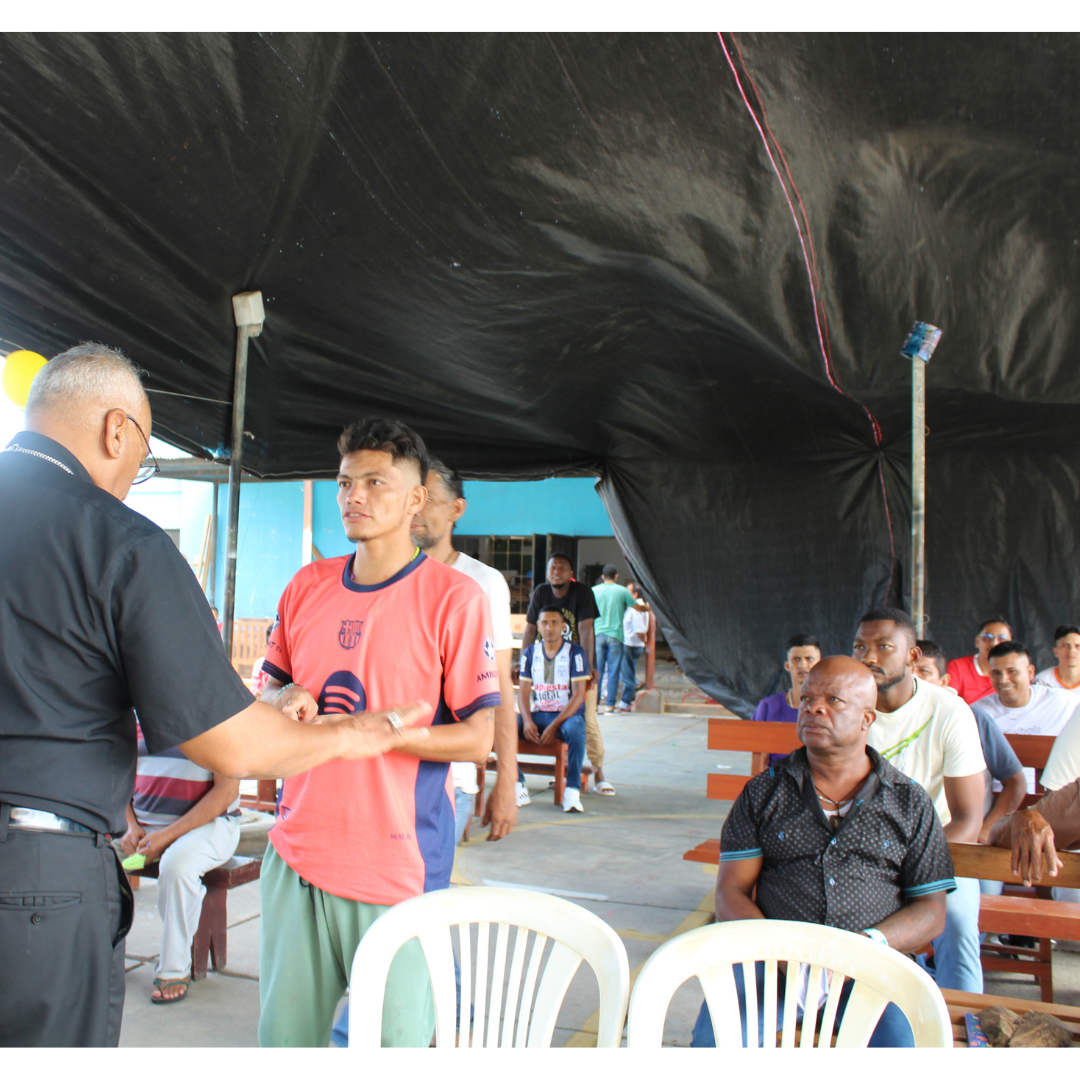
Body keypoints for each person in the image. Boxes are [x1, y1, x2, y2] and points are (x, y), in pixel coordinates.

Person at [0, 346, 420, 1048]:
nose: (133, 481)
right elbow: (230, 743)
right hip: (35, 875)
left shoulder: (449, 594)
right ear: (116, 430)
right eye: (142, 460)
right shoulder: (117, 539)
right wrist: (353, 733)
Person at [255, 418, 498, 1048]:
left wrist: (377, 735)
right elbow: (265, 691)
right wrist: (287, 697)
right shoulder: (306, 586)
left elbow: (477, 738)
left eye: (374, 482)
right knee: (284, 1048)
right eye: (344, 483)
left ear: (417, 498)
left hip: (397, 870)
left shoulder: (455, 599)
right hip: (297, 856)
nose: (353, 496)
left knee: (393, 1050)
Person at [690, 657, 954, 1048]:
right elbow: (731, 892)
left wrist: (867, 946)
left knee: (905, 1048)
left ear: (866, 719)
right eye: (807, 698)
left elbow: (931, 910)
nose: (814, 707)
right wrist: (780, 953)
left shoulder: (909, 802)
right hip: (775, 967)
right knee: (715, 1042)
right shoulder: (763, 794)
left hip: (873, 970)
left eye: (833, 700)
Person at [853, 608, 987, 993]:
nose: (868, 656)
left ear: (912, 656)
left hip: (941, 852)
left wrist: (911, 864)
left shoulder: (949, 711)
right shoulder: (846, 706)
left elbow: (968, 819)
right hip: (861, 854)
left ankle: (961, 1019)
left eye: (883, 646)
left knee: (957, 925)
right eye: (860, 646)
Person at [410, 457, 518, 842]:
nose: (414, 510)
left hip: (448, 779)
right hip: (378, 773)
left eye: (427, 499)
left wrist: (507, 780)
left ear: (456, 509)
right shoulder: (381, 577)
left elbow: (498, 687)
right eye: (410, 497)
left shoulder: (482, 584)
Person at [119, 726, 242, 1003]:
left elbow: (226, 792)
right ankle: (102, 954)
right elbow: (118, 779)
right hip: (143, 827)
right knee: (93, 853)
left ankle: (173, 967)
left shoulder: (219, 719)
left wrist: (165, 837)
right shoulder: (136, 717)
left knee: (177, 866)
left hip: (209, 825)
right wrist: (129, 825)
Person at [916, 642, 1025, 848]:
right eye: (909, 670)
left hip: (963, 840)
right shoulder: (877, 719)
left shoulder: (971, 716)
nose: (915, 678)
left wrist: (985, 831)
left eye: (924, 671)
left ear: (943, 681)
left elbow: (1016, 783)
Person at [523, 554, 613, 795]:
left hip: (577, 669)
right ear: (547, 573)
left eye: (562, 568)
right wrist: (522, 663)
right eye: (552, 567)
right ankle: (561, 771)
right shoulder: (541, 593)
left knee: (587, 721)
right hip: (548, 668)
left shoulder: (582, 592)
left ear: (571, 573)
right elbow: (530, 629)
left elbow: (585, 629)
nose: (557, 571)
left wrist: (589, 666)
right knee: (551, 717)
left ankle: (599, 774)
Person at [972, 641, 1077, 794]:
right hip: (997, 799)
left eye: (1012, 671)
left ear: (1030, 672)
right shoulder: (977, 713)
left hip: (1052, 800)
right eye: (996, 673)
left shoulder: (1064, 702)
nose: (1003, 680)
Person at [518, 606, 590, 813]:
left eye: (554, 623)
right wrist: (527, 720)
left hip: (566, 717)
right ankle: (517, 784)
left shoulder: (575, 652)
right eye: (545, 623)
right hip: (540, 714)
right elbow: (523, 692)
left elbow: (579, 695)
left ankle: (572, 791)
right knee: (504, 725)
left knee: (576, 730)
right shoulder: (530, 653)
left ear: (563, 626)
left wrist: (555, 725)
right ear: (538, 626)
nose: (549, 627)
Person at [752, 634, 822, 764]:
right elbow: (759, 761)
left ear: (819, 664)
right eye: (796, 659)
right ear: (787, 665)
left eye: (809, 659)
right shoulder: (767, 707)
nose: (802, 664)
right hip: (777, 774)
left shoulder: (827, 709)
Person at [591, 565, 648, 714]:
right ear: (616, 577)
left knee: (598, 671)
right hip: (616, 636)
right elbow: (637, 608)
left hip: (598, 634)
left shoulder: (594, 591)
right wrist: (650, 607)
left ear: (603, 576)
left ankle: (594, 705)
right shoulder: (622, 591)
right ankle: (610, 704)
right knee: (614, 672)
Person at [946, 616, 1011, 705]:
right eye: (987, 637)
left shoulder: (1016, 671)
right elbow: (948, 703)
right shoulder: (958, 666)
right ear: (977, 641)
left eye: (1002, 638)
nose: (994, 643)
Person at [618, 581, 650, 712]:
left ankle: (625, 702)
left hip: (631, 644)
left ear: (635, 595)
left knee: (627, 675)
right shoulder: (637, 607)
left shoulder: (636, 609)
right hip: (631, 644)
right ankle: (635, 685)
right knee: (627, 672)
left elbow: (640, 630)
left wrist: (644, 641)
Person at [1035, 624, 1080, 695]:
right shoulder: (1041, 683)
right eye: (1065, 646)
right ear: (1056, 652)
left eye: (1077, 646)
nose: (1071, 650)